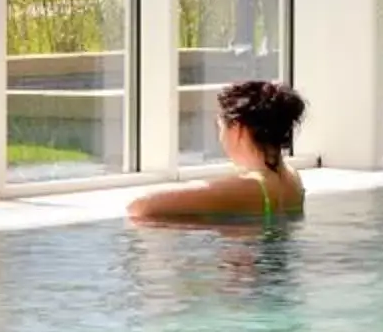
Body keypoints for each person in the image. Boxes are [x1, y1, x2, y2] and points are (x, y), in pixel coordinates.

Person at [129, 79, 306, 227]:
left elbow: (140, 204)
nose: (220, 137)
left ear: (238, 129)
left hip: (249, 267)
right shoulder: (292, 177)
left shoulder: (252, 186)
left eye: (220, 126)